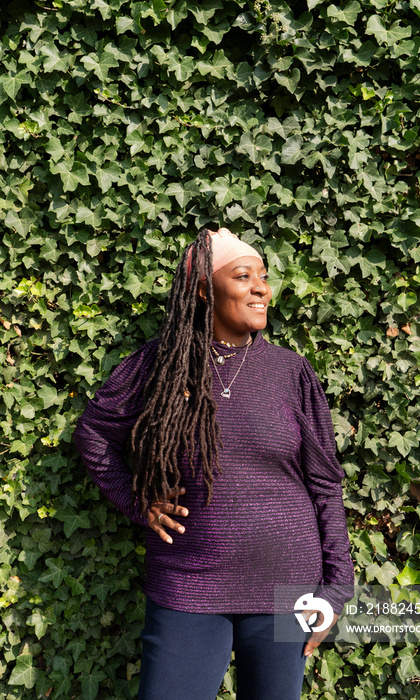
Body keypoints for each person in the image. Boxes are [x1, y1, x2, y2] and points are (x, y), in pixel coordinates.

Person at [73, 227, 354, 700]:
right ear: (204, 289)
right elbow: (93, 432)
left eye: (264, 277)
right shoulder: (159, 366)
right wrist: (138, 500)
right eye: (244, 276)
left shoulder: (291, 371)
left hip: (287, 589)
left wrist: (337, 589)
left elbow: (325, 485)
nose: (262, 288)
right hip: (188, 584)